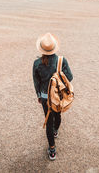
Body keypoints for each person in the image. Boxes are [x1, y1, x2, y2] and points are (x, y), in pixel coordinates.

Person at [32, 33, 73, 161]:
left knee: (48, 120)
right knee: (57, 115)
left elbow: (36, 82)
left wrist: (39, 95)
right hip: (58, 96)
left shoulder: (37, 63)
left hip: (45, 97)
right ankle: (56, 131)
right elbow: (70, 77)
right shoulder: (61, 60)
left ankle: (52, 149)